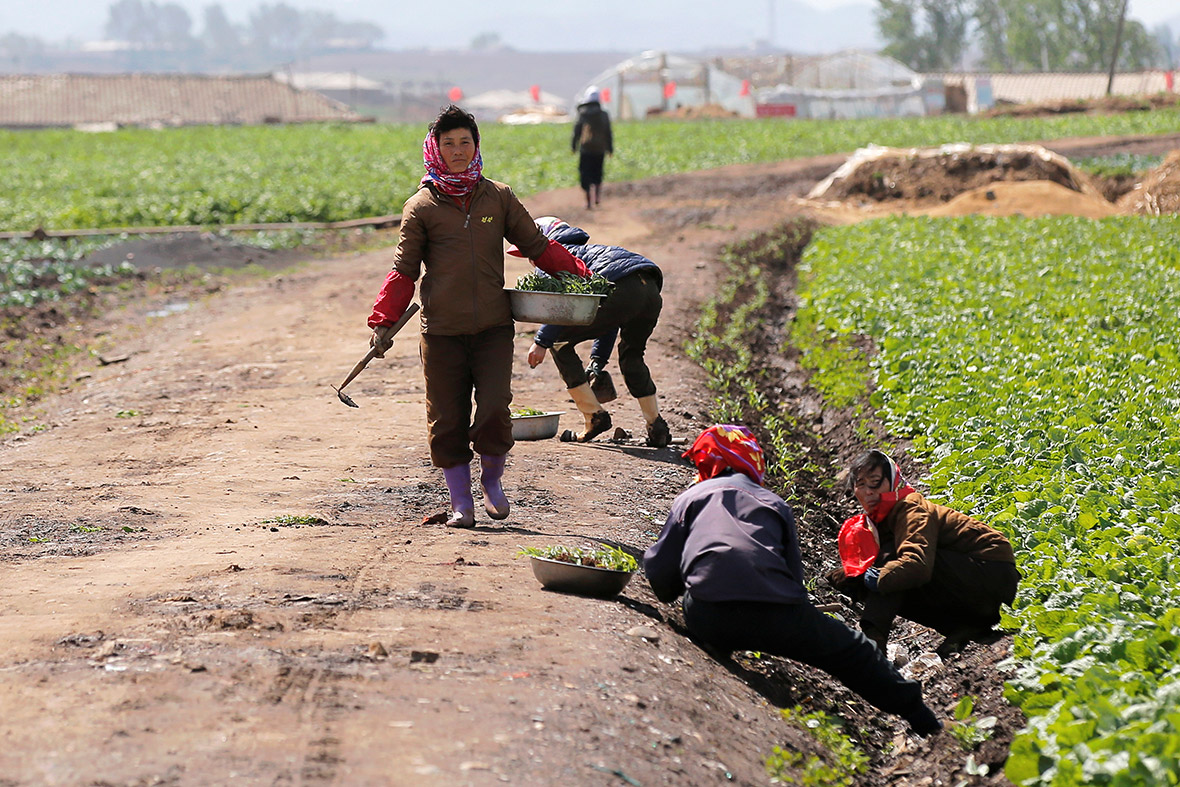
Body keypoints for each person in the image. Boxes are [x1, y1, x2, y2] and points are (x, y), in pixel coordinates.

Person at [367, 105, 591, 529]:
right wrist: (383, 320)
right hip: (442, 332)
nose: (457, 151)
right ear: (435, 148)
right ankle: (460, 503)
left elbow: (537, 245)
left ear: (476, 146)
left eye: (464, 142)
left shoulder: (499, 197)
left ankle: (491, 481)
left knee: (493, 410)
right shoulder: (420, 207)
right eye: (448, 144)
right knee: (446, 417)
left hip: (492, 328)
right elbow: (403, 270)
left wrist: (581, 275)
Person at [643, 425, 943, 737]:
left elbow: (662, 580)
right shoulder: (773, 503)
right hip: (776, 616)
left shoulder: (691, 498)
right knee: (853, 651)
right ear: (753, 463)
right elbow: (794, 585)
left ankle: (719, 646)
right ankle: (923, 720)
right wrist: (799, 627)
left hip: (708, 614)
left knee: (708, 607)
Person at [827, 450, 1020, 658]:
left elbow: (916, 564)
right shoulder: (882, 520)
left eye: (875, 482)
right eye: (861, 484)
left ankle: (873, 645)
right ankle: (967, 626)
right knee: (878, 574)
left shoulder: (910, 507)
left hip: (992, 575)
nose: (868, 492)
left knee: (890, 566)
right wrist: (851, 577)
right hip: (976, 585)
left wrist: (871, 576)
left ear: (893, 481)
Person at [515, 217, 670, 447]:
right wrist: (598, 360)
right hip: (649, 287)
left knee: (559, 343)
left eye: (528, 251)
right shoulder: (588, 251)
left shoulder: (554, 255)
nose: (530, 259)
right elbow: (609, 312)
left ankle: (594, 417)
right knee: (632, 355)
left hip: (621, 289)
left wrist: (541, 341)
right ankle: (656, 425)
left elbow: (564, 303)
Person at [571, 87, 613, 210]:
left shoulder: (582, 114)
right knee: (598, 173)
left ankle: (588, 201)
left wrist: (574, 145)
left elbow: (577, 131)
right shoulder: (604, 115)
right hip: (600, 150)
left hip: (586, 149)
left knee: (586, 174)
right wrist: (610, 148)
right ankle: (597, 198)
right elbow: (608, 132)